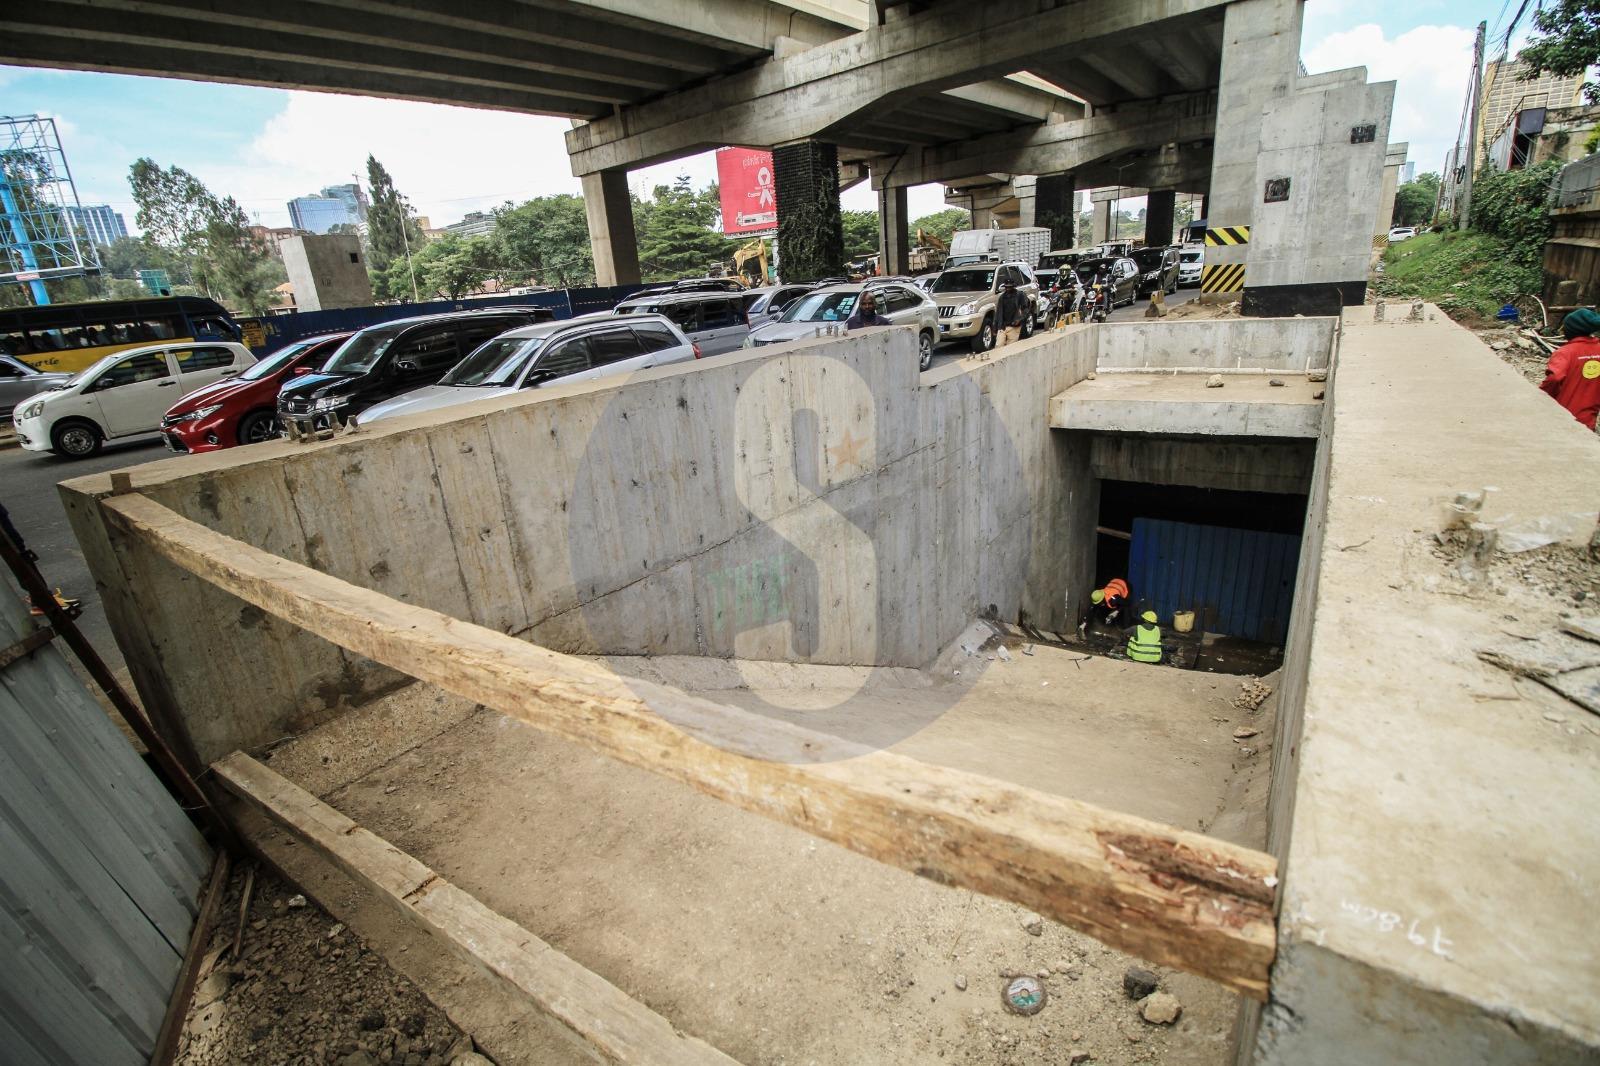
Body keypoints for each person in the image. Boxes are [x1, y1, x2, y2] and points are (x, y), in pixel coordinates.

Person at [1540, 308, 1600, 431]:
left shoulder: (1565, 352)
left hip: (1563, 417)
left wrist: (1540, 396)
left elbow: (1555, 378)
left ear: (1571, 330)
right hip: (1588, 419)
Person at [996, 279, 1027, 349]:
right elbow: (998, 313)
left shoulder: (1019, 295)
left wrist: (1019, 319)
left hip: (1014, 326)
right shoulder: (1002, 297)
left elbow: (1025, 309)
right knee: (998, 346)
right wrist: (995, 327)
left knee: (1011, 348)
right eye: (1006, 287)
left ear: (1013, 287)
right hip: (1003, 326)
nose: (1008, 289)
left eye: (1010, 287)